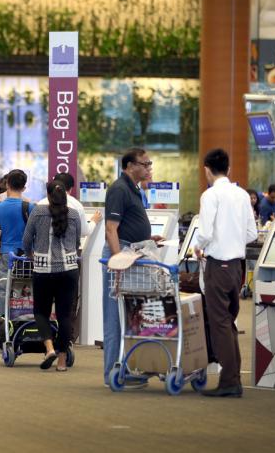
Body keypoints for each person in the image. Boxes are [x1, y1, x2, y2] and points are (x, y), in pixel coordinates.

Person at [193, 149, 257, 398]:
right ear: (228, 169)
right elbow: (251, 234)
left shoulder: (210, 195)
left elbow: (205, 232)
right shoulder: (242, 194)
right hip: (236, 267)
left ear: (207, 169)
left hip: (217, 264)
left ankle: (229, 381)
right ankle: (233, 378)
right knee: (228, 321)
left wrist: (199, 247)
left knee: (219, 322)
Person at [102, 148, 160, 386]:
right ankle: (112, 374)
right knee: (114, 317)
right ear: (129, 165)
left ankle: (124, 368)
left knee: (130, 315)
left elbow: (129, 224)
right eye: (144, 164)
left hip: (132, 251)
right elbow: (111, 230)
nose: (148, 168)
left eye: (149, 164)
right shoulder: (119, 189)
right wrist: (118, 262)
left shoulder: (134, 189)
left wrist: (148, 240)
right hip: (121, 256)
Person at [23, 180, 81, 372]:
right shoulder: (73, 214)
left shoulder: (37, 212)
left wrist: (31, 255)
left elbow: (26, 240)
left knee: (41, 312)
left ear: (48, 196)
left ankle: (49, 349)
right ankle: (62, 361)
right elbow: (77, 242)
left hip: (43, 271)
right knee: (65, 316)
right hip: (69, 270)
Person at [0, 170, 36, 280]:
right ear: (24, 188)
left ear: (7, 184)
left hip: (6, 251)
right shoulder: (29, 207)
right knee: (25, 287)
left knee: (4, 284)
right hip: (26, 253)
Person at [37, 173, 102, 239]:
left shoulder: (40, 204)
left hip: (42, 247)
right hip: (67, 248)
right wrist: (94, 221)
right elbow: (84, 231)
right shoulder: (76, 205)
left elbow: (32, 231)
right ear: (71, 188)